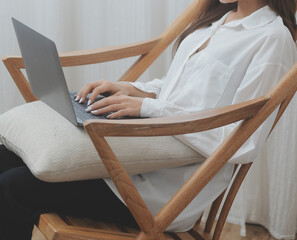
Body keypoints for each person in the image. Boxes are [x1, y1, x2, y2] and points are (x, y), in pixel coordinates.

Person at [0, 0, 296, 239]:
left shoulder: (272, 38)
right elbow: (178, 91)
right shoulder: (218, 20)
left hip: (165, 192)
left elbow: (242, 142)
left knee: (14, 187)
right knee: (5, 154)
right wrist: (131, 89)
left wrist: (146, 108)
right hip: (137, 158)